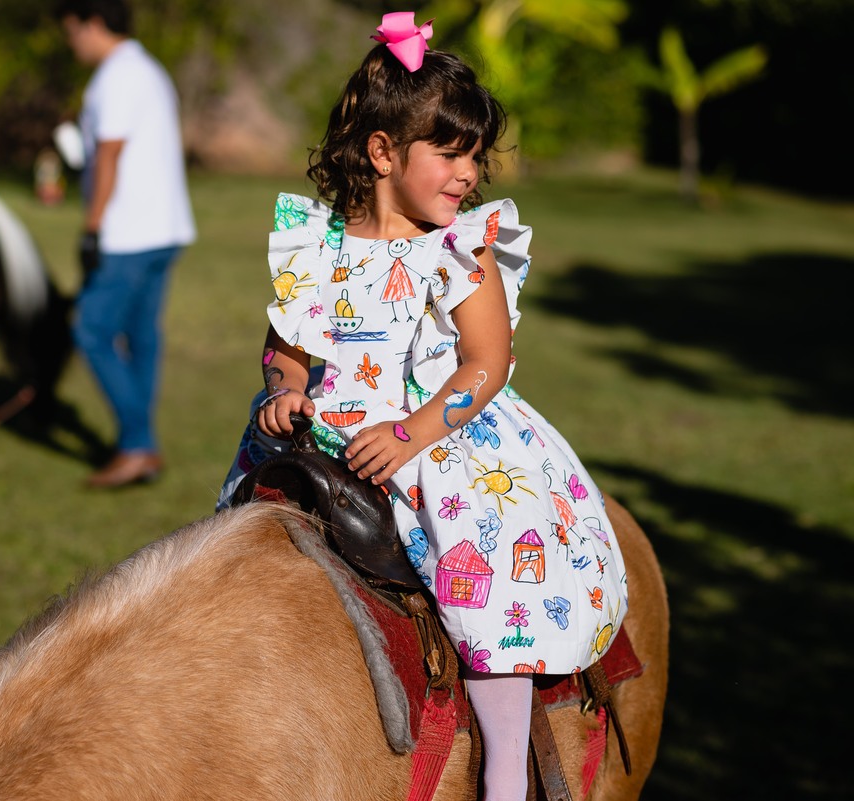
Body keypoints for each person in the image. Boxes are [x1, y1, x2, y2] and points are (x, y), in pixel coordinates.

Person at [216, 13, 628, 801]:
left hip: (438, 432)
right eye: (450, 152)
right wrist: (283, 389)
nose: (468, 173)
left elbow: (487, 362)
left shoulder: (459, 249)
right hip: (323, 434)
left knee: (488, 575)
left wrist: (409, 433)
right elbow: (286, 344)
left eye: (475, 155)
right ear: (383, 153)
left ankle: (505, 769)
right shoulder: (319, 247)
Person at [59, 0, 196, 489]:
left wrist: (92, 226)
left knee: (92, 330)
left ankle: (138, 444)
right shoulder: (148, 68)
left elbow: (109, 154)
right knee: (141, 336)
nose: (71, 42)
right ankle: (139, 445)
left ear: (92, 23)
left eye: (72, 30)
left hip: (129, 232)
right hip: (165, 227)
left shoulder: (115, 76)